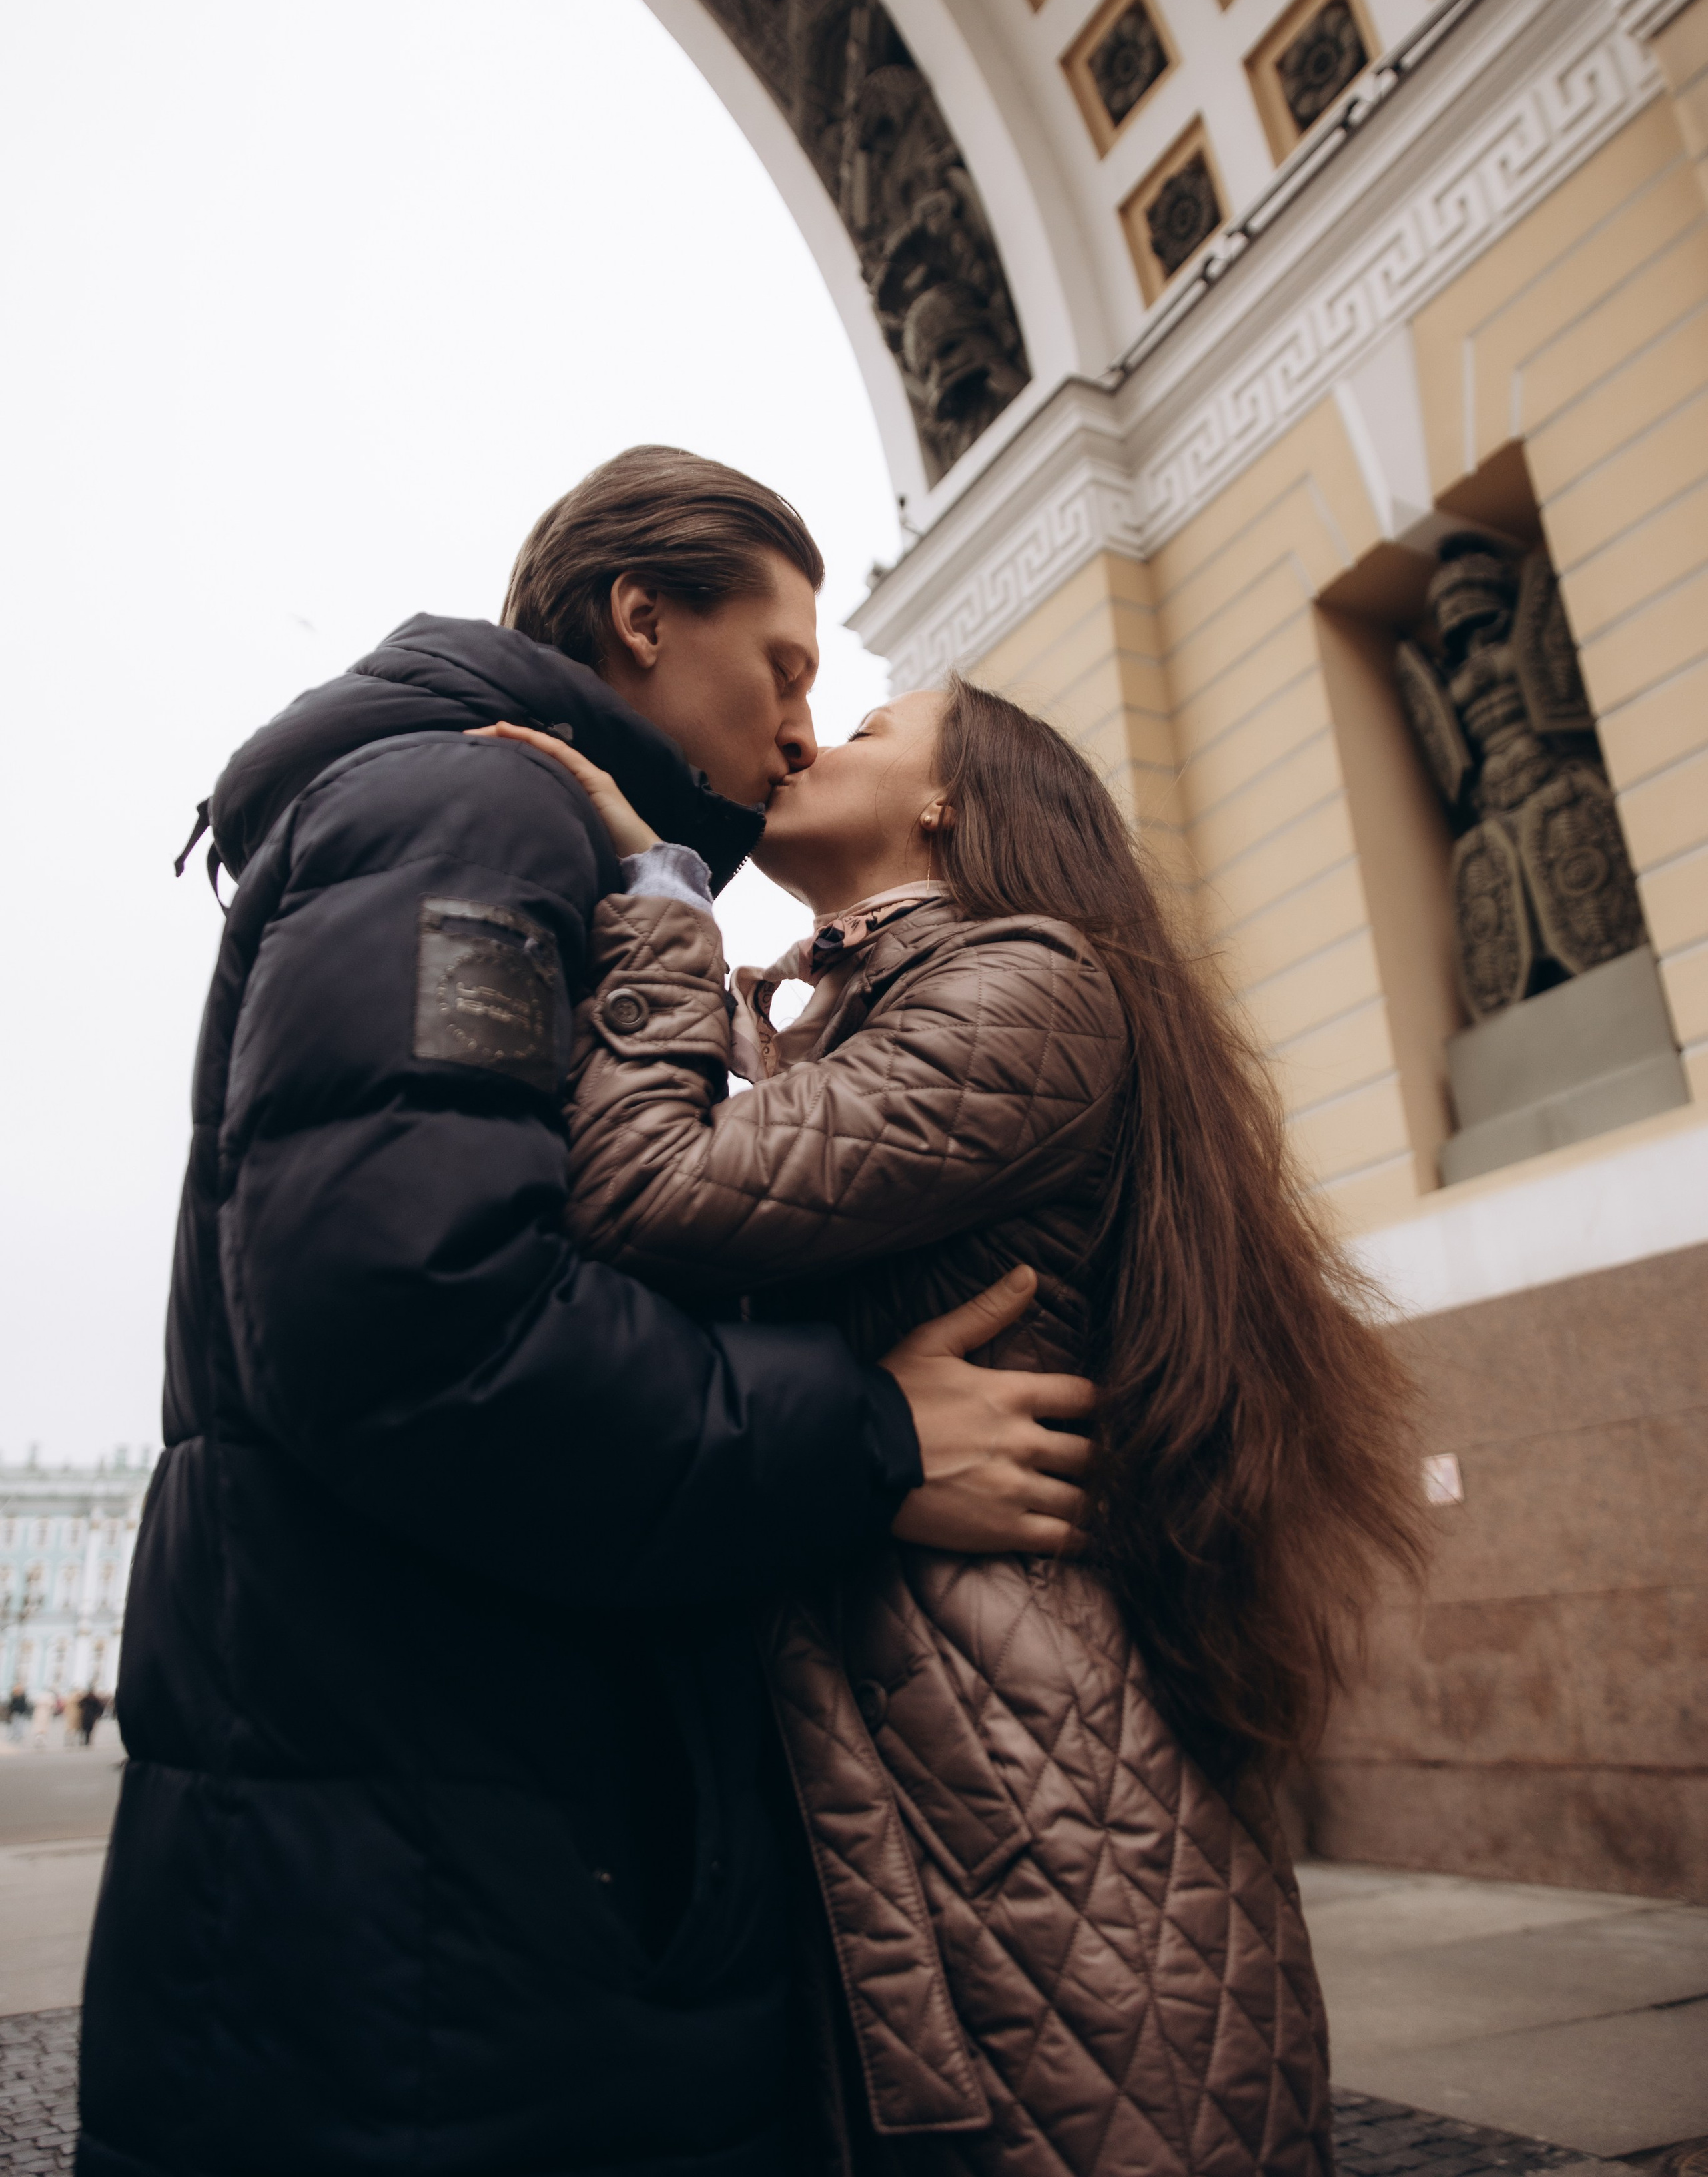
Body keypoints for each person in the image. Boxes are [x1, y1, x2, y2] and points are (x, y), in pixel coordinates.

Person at [77, 449, 1095, 2177]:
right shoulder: (475, 820)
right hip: (446, 1927)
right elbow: (419, 1323)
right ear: (642, 617)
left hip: (464, 1865)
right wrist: (869, 1435)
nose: (801, 722)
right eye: (780, 664)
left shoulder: (534, 842)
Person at [512, 676, 1429, 2176]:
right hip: (924, 1726)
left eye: (866, 728)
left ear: (949, 803)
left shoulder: (1030, 986)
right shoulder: (851, 1011)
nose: (809, 737)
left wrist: (658, 897)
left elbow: (650, 1191)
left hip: (1015, 1772)